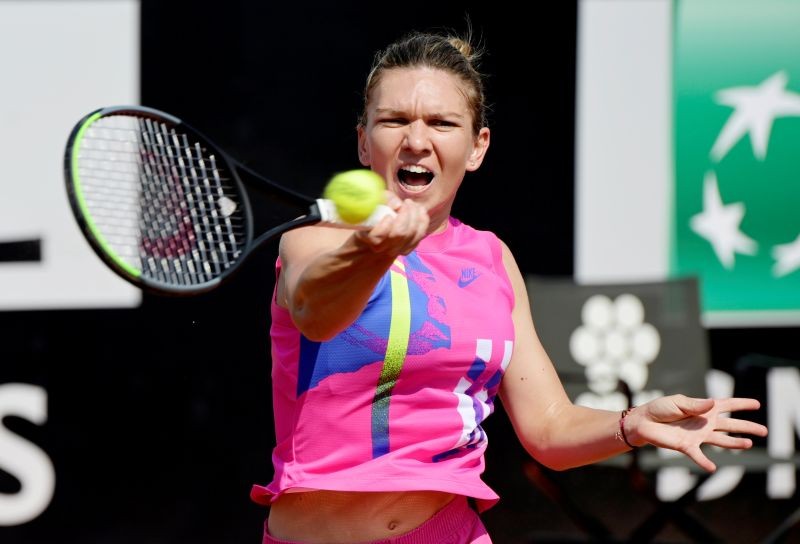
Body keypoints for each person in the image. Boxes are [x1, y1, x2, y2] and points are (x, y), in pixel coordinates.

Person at [250, 30, 768, 544]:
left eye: (441, 122)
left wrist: (632, 424)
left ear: (477, 147)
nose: (415, 139)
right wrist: (375, 251)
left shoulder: (491, 258)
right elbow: (316, 313)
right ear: (364, 140)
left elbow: (548, 427)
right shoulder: (315, 240)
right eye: (393, 121)